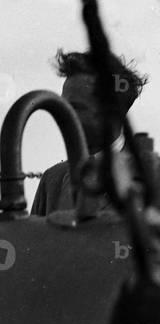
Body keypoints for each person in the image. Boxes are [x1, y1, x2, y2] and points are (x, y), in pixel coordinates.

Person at [31, 49, 150, 216]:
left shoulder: (151, 177)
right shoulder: (52, 180)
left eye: (75, 108)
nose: (63, 116)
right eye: (63, 106)